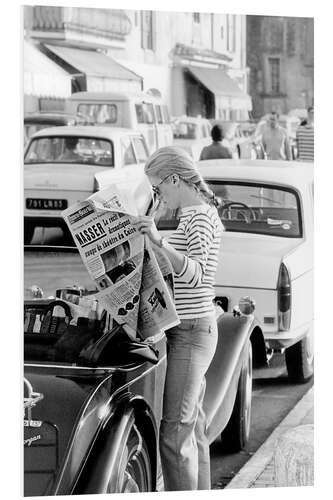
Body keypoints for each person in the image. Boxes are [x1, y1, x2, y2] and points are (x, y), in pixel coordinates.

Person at [132, 146, 223, 491]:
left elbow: (197, 274)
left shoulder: (196, 215)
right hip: (194, 329)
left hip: (191, 331)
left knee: (173, 433)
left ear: (173, 179)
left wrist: (157, 240)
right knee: (192, 429)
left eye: (158, 187)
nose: (159, 195)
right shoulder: (200, 212)